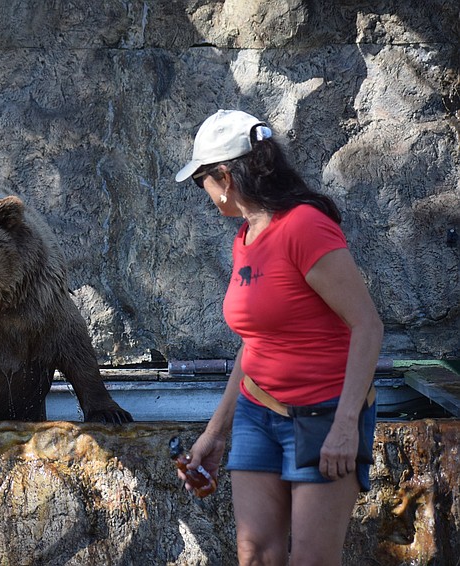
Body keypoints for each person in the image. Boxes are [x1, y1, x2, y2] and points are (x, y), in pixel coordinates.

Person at [173, 110, 384, 566]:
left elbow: (368, 326)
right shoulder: (246, 236)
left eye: (201, 182)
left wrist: (346, 425)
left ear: (224, 177)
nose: (204, 194)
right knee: (256, 556)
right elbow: (255, 342)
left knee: (311, 560)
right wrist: (215, 432)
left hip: (324, 416)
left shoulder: (305, 227)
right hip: (257, 414)